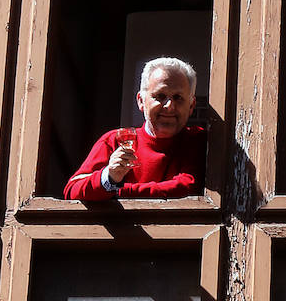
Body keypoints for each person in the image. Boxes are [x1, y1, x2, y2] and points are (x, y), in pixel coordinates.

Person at [64, 57, 206, 201]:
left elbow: (186, 188)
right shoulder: (115, 140)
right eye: (160, 96)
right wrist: (109, 176)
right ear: (141, 101)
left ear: (191, 106)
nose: (169, 106)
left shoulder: (199, 141)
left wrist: (118, 191)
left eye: (178, 98)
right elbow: (72, 191)